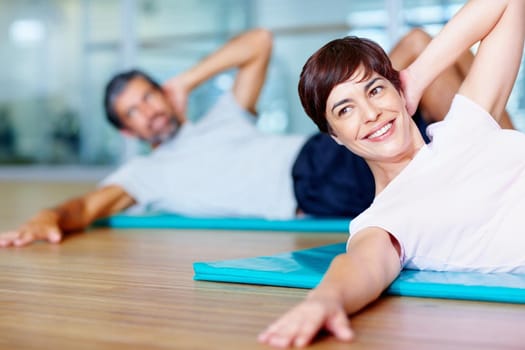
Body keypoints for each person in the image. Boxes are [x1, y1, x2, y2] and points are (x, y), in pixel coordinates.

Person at [0, 26, 512, 247]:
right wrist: (49, 217)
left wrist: (187, 81)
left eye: (150, 95)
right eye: (134, 112)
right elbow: (85, 208)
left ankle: (513, 155)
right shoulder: (143, 174)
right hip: (314, 183)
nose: (149, 111)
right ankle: (514, 159)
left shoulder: (222, 117)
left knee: (420, 47)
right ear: (127, 131)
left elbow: (258, 42)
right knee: (424, 57)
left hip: (332, 144)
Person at [258, 0, 525, 348]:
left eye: (375, 90)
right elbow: (360, 266)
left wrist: (416, 76)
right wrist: (324, 300)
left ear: (398, 90)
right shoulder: (382, 221)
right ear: (335, 136)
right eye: (345, 109)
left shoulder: (466, 123)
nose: (370, 113)